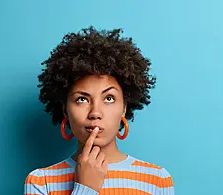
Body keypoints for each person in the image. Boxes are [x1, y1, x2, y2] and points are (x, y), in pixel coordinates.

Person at [24, 26, 174, 195]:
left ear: (124, 108)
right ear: (65, 110)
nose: (95, 112)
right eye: (82, 99)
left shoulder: (157, 180)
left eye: (109, 98)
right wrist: (85, 189)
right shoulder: (41, 182)